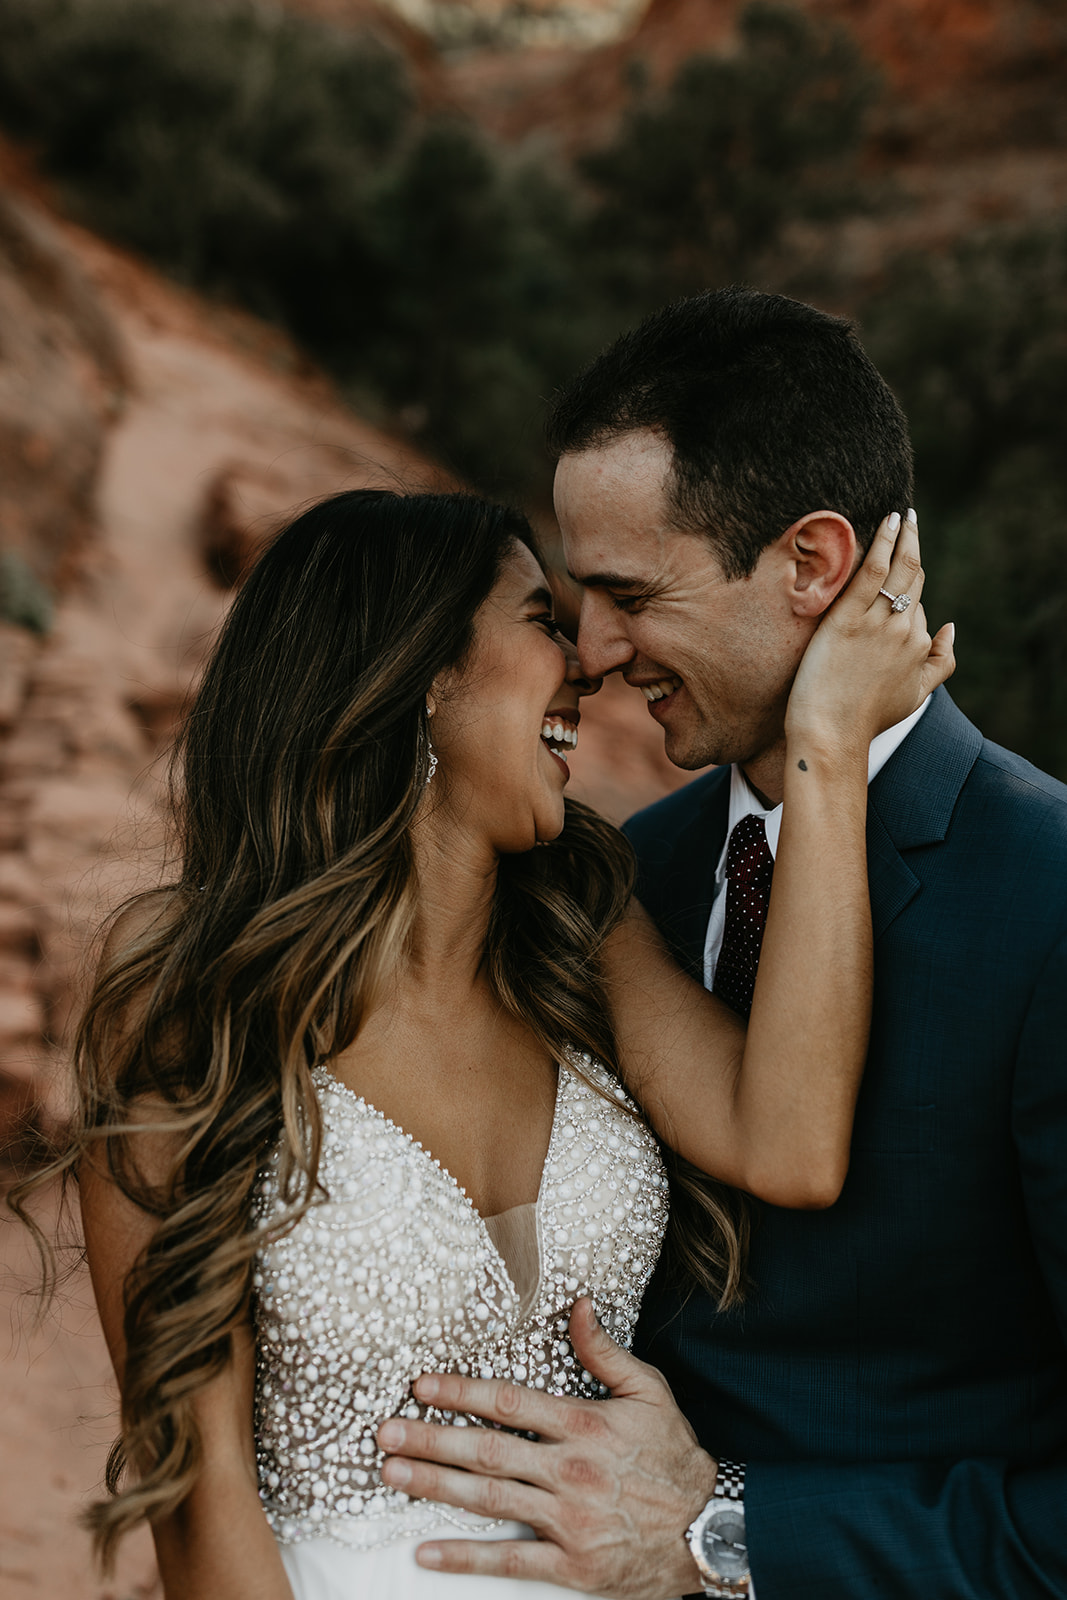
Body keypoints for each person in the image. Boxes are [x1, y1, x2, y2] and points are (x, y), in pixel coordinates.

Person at [12, 483, 947, 1600]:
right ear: (417, 677)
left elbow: (789, 1141)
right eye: (542, 620)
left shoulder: (584, 931)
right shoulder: (189, 1003)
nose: (587, 663)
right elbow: (198, 1483)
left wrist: (826, 747)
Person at [375, 290, 1067, 1600]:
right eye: (577, 600)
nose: (589, 651)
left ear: (810, 564)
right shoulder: (636, 870)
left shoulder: (1045, 900)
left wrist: (727, 1534)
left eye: (628, 593)